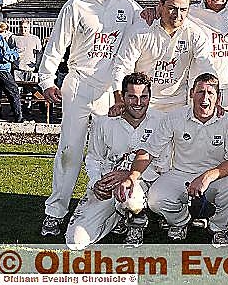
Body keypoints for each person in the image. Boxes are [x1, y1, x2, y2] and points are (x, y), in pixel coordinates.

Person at [39, 0, 145, 236]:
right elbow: (56, 46)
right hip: (78, 84)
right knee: (70, 152)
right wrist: (47, 79)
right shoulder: (75, 6)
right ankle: (55, 211)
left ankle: (110, 208)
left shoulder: (129, 7)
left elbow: (154, 23)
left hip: (111, 92)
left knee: (109, 153)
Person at [117, 73, 228, 247]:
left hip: (215, 176)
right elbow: (149, 151)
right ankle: (181, 221)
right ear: (191, 93)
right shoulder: (175, 117)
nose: (204, 98)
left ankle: (218, 228)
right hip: (180, 174)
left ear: (219, 97)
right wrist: (132, 177)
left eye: (210, 93)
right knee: (156, 200)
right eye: (199, 92)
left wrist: (206, 177)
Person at [65, 72, 168, 249]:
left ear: (150, 97)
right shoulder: (103, 122)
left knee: (131, 197)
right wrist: (96, 183)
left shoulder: (161, 121)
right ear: (123, 96)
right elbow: (93, 158)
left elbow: (164, 163)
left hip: (140, 184)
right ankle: (117, 217)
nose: (138, 103)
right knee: (75, 242)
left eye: (143, 97)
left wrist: (129, 175)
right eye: (132, 97)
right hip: (107, 183)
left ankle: (135, 219)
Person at [111, 0, 214, 113]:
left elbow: (206, 68)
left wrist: (214, 100)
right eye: (172, 8)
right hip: (143, 103)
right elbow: (122, 66)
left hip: (179, 104)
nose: (178, 15)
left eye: (183, 10)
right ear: (160, 5)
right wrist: (119, 99)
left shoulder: (195, 34)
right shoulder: (140, 30)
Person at [0, 22, 23, 122]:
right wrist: (16, 54)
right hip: (2, 69)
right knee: (14, 92)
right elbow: (4, 56)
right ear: (2, 31)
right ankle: (18, 117)